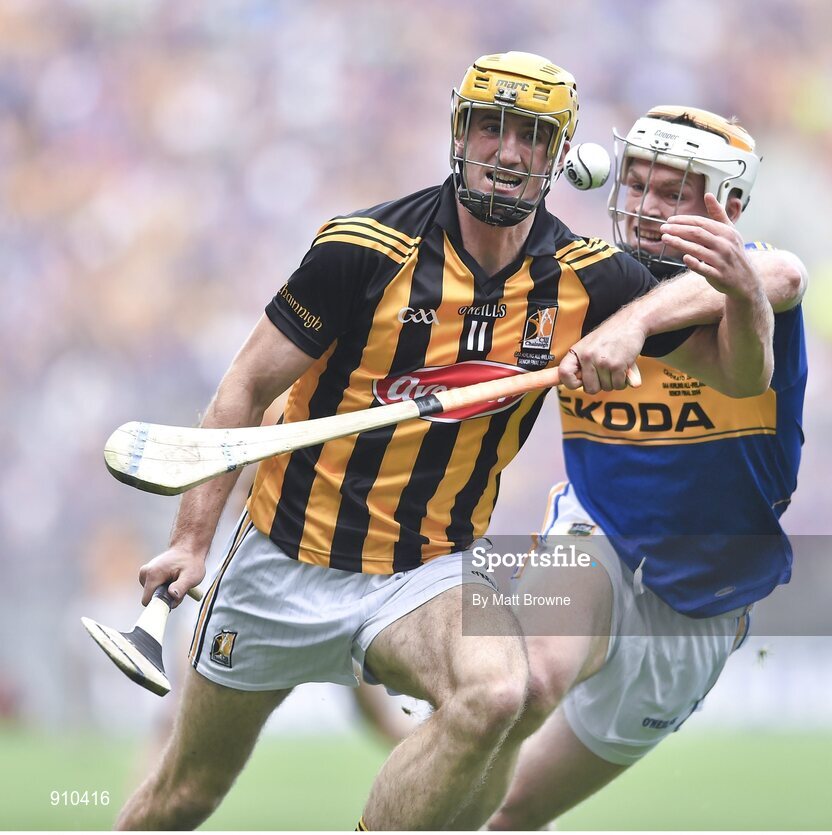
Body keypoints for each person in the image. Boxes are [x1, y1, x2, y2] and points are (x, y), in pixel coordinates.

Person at [113, 55, 775, 830]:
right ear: (458, 135)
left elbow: (739, 373)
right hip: (281, 561)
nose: (505, 151)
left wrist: (742, 288)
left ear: (559, 155)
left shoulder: (588, 279)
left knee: (498, 692)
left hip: (426, 572)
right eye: (488, 127)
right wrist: (192, 541)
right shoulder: (362, 251)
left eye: (529, 135)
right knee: (184, 795)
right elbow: (245, 388)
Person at [460, 106, 810, 830]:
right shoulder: (583, 279)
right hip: (598, 532)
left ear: (729, 205)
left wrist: (636, 324)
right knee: (526, 687)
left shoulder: (760, 274)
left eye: (671, 193)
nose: (647, 210)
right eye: (639, 186)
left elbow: (762, 324)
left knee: (517, 810)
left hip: (705, 594)